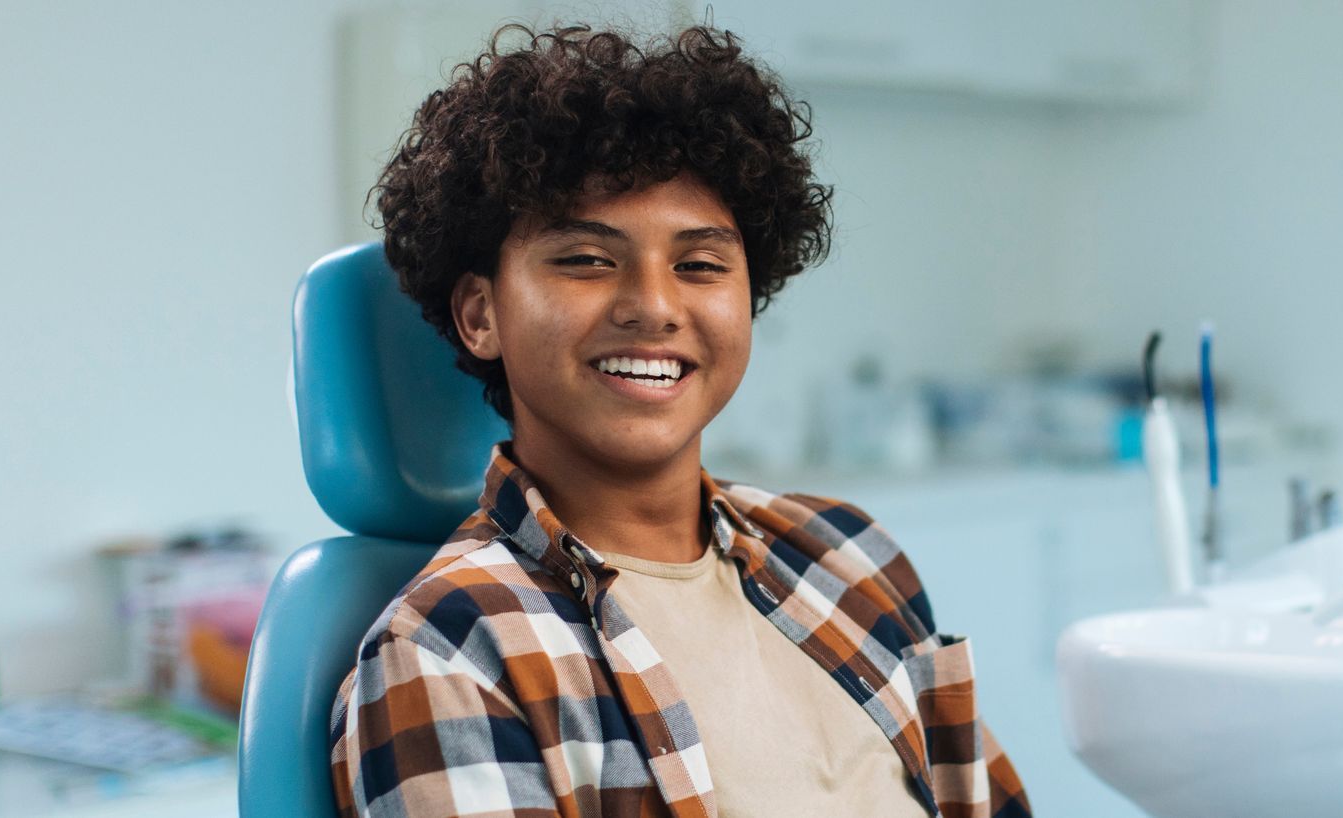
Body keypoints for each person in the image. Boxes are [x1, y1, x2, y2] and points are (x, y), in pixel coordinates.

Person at [329, 21, 1032, 818]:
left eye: (699, 265)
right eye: (588, 260)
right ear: (481, 314)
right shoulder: (449, 652)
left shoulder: (850, 555)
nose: (655, 307)